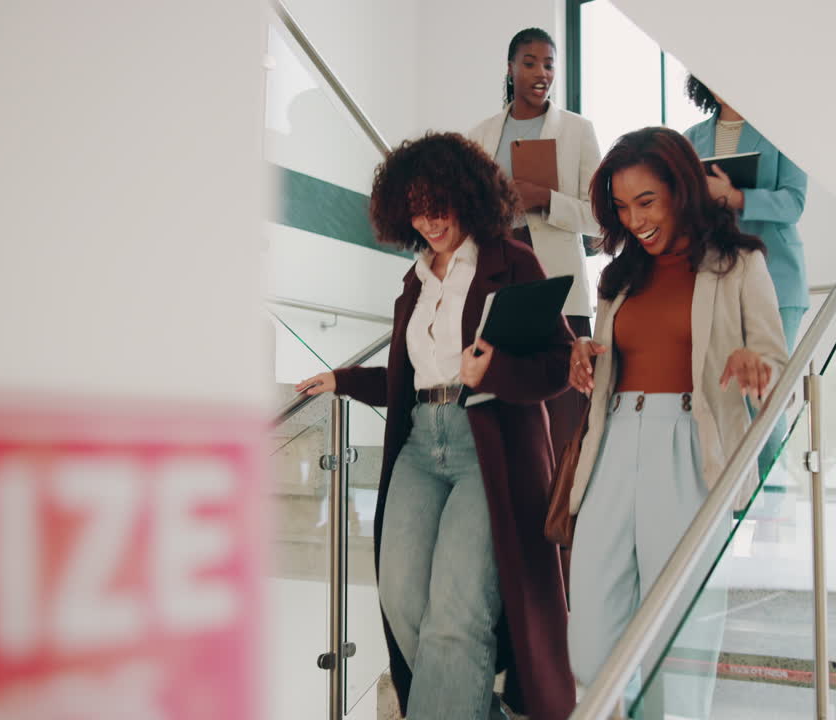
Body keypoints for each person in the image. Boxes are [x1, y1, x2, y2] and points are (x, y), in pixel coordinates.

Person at [296, 132, 576, 720]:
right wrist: (344, 381)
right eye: (416, 209)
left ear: (467, 196)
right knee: (401, 598)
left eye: (439, 204)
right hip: (421, 445)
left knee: (457, 611)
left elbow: (558, 364)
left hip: (486, 447)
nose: (429, 221)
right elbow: (411, 377)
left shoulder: (511, 262)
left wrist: (494, 368)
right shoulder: (414, 282)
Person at [563, 127, 788, 717]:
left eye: (647, 201)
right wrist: (584, 358)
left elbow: (778, 366)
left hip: (690, 447)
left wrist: (754, 366)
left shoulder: (738, 264)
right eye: (620, 206)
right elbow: (610, 360)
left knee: (678, 639)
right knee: (590, 633)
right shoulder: (618, 279)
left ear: (681, 190)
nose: (634, 219)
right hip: (611, 444)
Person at [466, 27, 602, 465]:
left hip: (559, 282)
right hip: (499, 277)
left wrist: (546, 199)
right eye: (530, 63)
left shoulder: (579, 131)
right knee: (505, 404)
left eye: (549, 64)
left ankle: (568, 520)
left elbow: (601, 216)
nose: (541, 73)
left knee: (566, 412)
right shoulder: (480, 134)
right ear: (510, 69)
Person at [680, 75, 808, 350]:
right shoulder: (690, 139)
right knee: (727, 385)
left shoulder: (781, 132)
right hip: (714, 273)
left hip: (776, 272)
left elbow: (794, 203)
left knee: (770, 384)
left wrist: (736, 198)